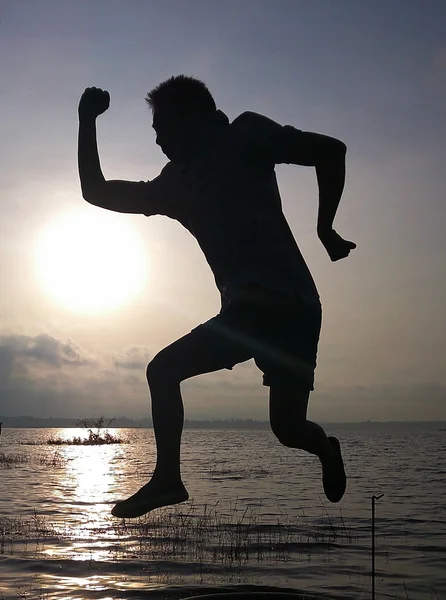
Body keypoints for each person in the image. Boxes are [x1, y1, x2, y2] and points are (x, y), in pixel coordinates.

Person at [77, 75, 356, 519]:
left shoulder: (243, 134)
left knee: (169, 374)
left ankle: (169, 478)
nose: (157, 139)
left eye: (161, 127)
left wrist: (325, 227)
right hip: (273, 312)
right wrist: (85, 121)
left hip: (286, 306)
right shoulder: (175, 183)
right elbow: (97, 191)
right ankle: (327, 450)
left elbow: (330, 150)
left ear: (193, 117)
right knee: (285, 427)